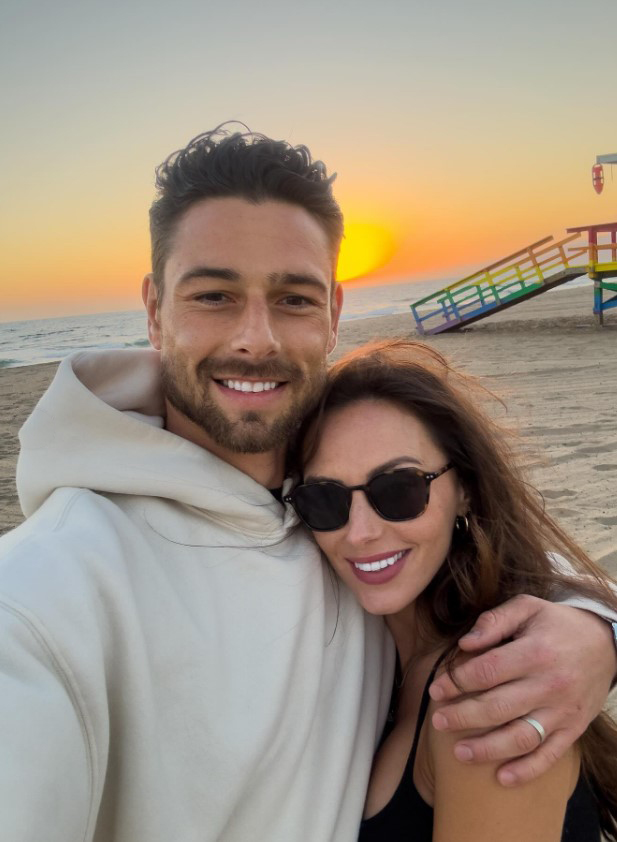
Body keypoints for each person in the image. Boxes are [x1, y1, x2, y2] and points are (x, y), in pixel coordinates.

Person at [0, 125, 615, 841]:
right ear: (153, 311)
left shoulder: (328, 503)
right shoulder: (43, 600)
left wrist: (591, 628)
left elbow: (477, 537)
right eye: (213, 296)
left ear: (332, 315)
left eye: (292, 298)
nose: (255, 338)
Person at [286, 338, 617, 841]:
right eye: (324, 499)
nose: (359, 532)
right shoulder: (371, 659)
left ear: (464, 489)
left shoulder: (491, 702)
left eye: (398, 489)